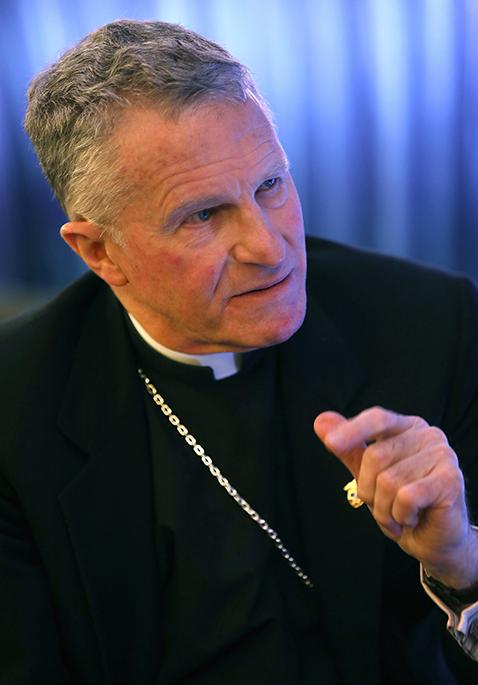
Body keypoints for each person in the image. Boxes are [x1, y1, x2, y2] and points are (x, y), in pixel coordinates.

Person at [1, 19, 477, 685]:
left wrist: (462, 564)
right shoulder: (15, 404)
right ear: (99, 251)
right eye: (203, 215)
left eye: (271, 185)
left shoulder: (430, 325)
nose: (270, 246)